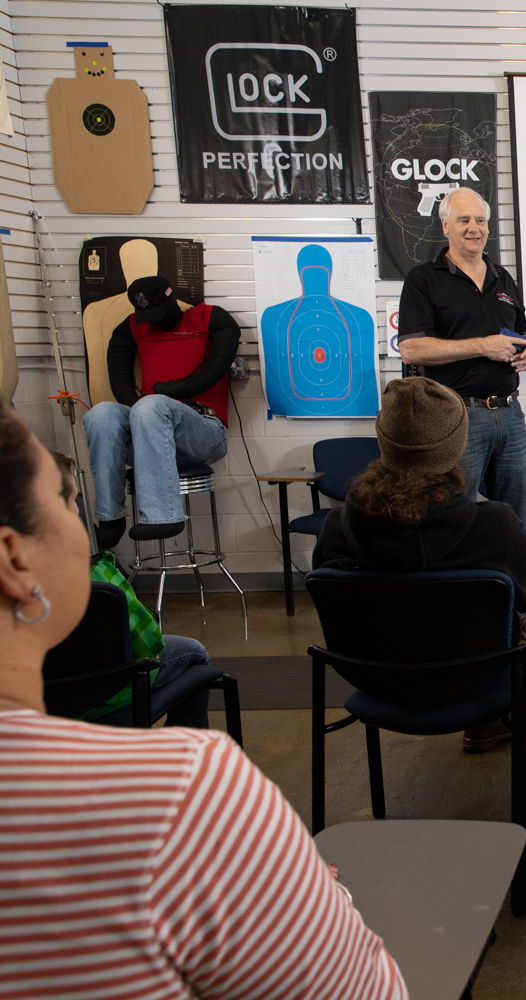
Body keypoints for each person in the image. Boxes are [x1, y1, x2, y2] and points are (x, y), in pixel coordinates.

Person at [0, 401, 408, 999]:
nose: (79, 518)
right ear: (15, 560)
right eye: (66, 500)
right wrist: (280, 893)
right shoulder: (182, 794)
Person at [313, 376, 526, 749]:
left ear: (383, 442)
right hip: (475, 680)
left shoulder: (336, 528)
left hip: (374, 681)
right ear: (457, 444)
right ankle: (489, 721)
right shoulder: (497, 526)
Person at [46, 450, 216, 729]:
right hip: (101, 696)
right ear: (60, 508)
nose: (78, 507)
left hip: (28, 703)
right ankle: (185, 761)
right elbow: (150, 642)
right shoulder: (96, 576)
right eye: (74, 498)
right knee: (194, 652)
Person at [397, 186, 526, 523]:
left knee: (515, 517)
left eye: (480, 220)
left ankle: (513, 575)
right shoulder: (423, 279)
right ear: (446, 227)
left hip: (509, 413)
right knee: (454, 514)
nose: (474, 227)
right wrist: (481, 345)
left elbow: (521, 334)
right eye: (463, 220)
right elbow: (411, 348)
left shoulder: (503, 278)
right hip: (456, 416)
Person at [82, 276, 239, 550]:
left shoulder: (206, 317)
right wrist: (142, 402)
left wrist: (168, 390)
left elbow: (216, 368)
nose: (152, 320)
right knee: (101, 414)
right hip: (150, 434)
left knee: (151, 404)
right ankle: (110, 518)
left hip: (203, 431)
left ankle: (163, 516)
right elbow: (119, 375)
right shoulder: (134, 327)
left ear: (171, 298)